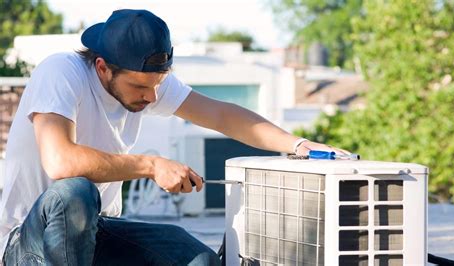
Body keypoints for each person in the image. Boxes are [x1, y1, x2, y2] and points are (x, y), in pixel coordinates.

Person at [0, 9, 348, 266]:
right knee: (74, 192)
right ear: (103, 67)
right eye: (139, 87)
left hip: (96, 233)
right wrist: (151, 165)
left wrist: (298, 144)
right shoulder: (61, 72)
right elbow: (61, 162)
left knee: (197, 259)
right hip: (30, 240)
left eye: (156, 86)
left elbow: (221, 115)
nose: (151, 98)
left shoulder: (148, 83)